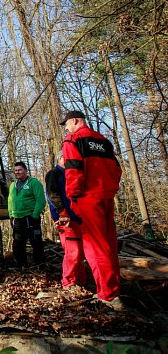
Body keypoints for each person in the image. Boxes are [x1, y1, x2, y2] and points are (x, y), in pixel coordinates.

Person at [60, 110, 123, 307]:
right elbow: (117, 169)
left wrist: (73, 197)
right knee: (110, 245)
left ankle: (107, 295)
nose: (66, 128)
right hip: (106, 197)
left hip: (87, 198)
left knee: (95, 247)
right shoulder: (104, 141)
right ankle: (113, 288)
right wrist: (109, 189)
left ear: (75, 121)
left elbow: (73, 171)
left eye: (67, 124)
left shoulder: (73, 140)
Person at [45, 150, 86, 289]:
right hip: (65, 219)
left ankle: (81, 280)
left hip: (77, 218)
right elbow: (52, 195)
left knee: (80, 252)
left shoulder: (70, 175)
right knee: (72, 251)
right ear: (62, 158)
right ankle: (68, 282)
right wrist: (62, 212)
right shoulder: (54, 174)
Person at [8, 161, 46, 267]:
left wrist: (35, 215)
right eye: (15, 170)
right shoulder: (12, 185)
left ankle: (40, 264)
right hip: (18, 218)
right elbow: (10, 201)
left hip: (30, 217)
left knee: (36, 242)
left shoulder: (33, 183)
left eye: (20, 170)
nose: (17, 172)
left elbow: (41, 200)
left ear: (26, 171)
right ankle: (21, 265)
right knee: (18, 243)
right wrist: (11, 215)